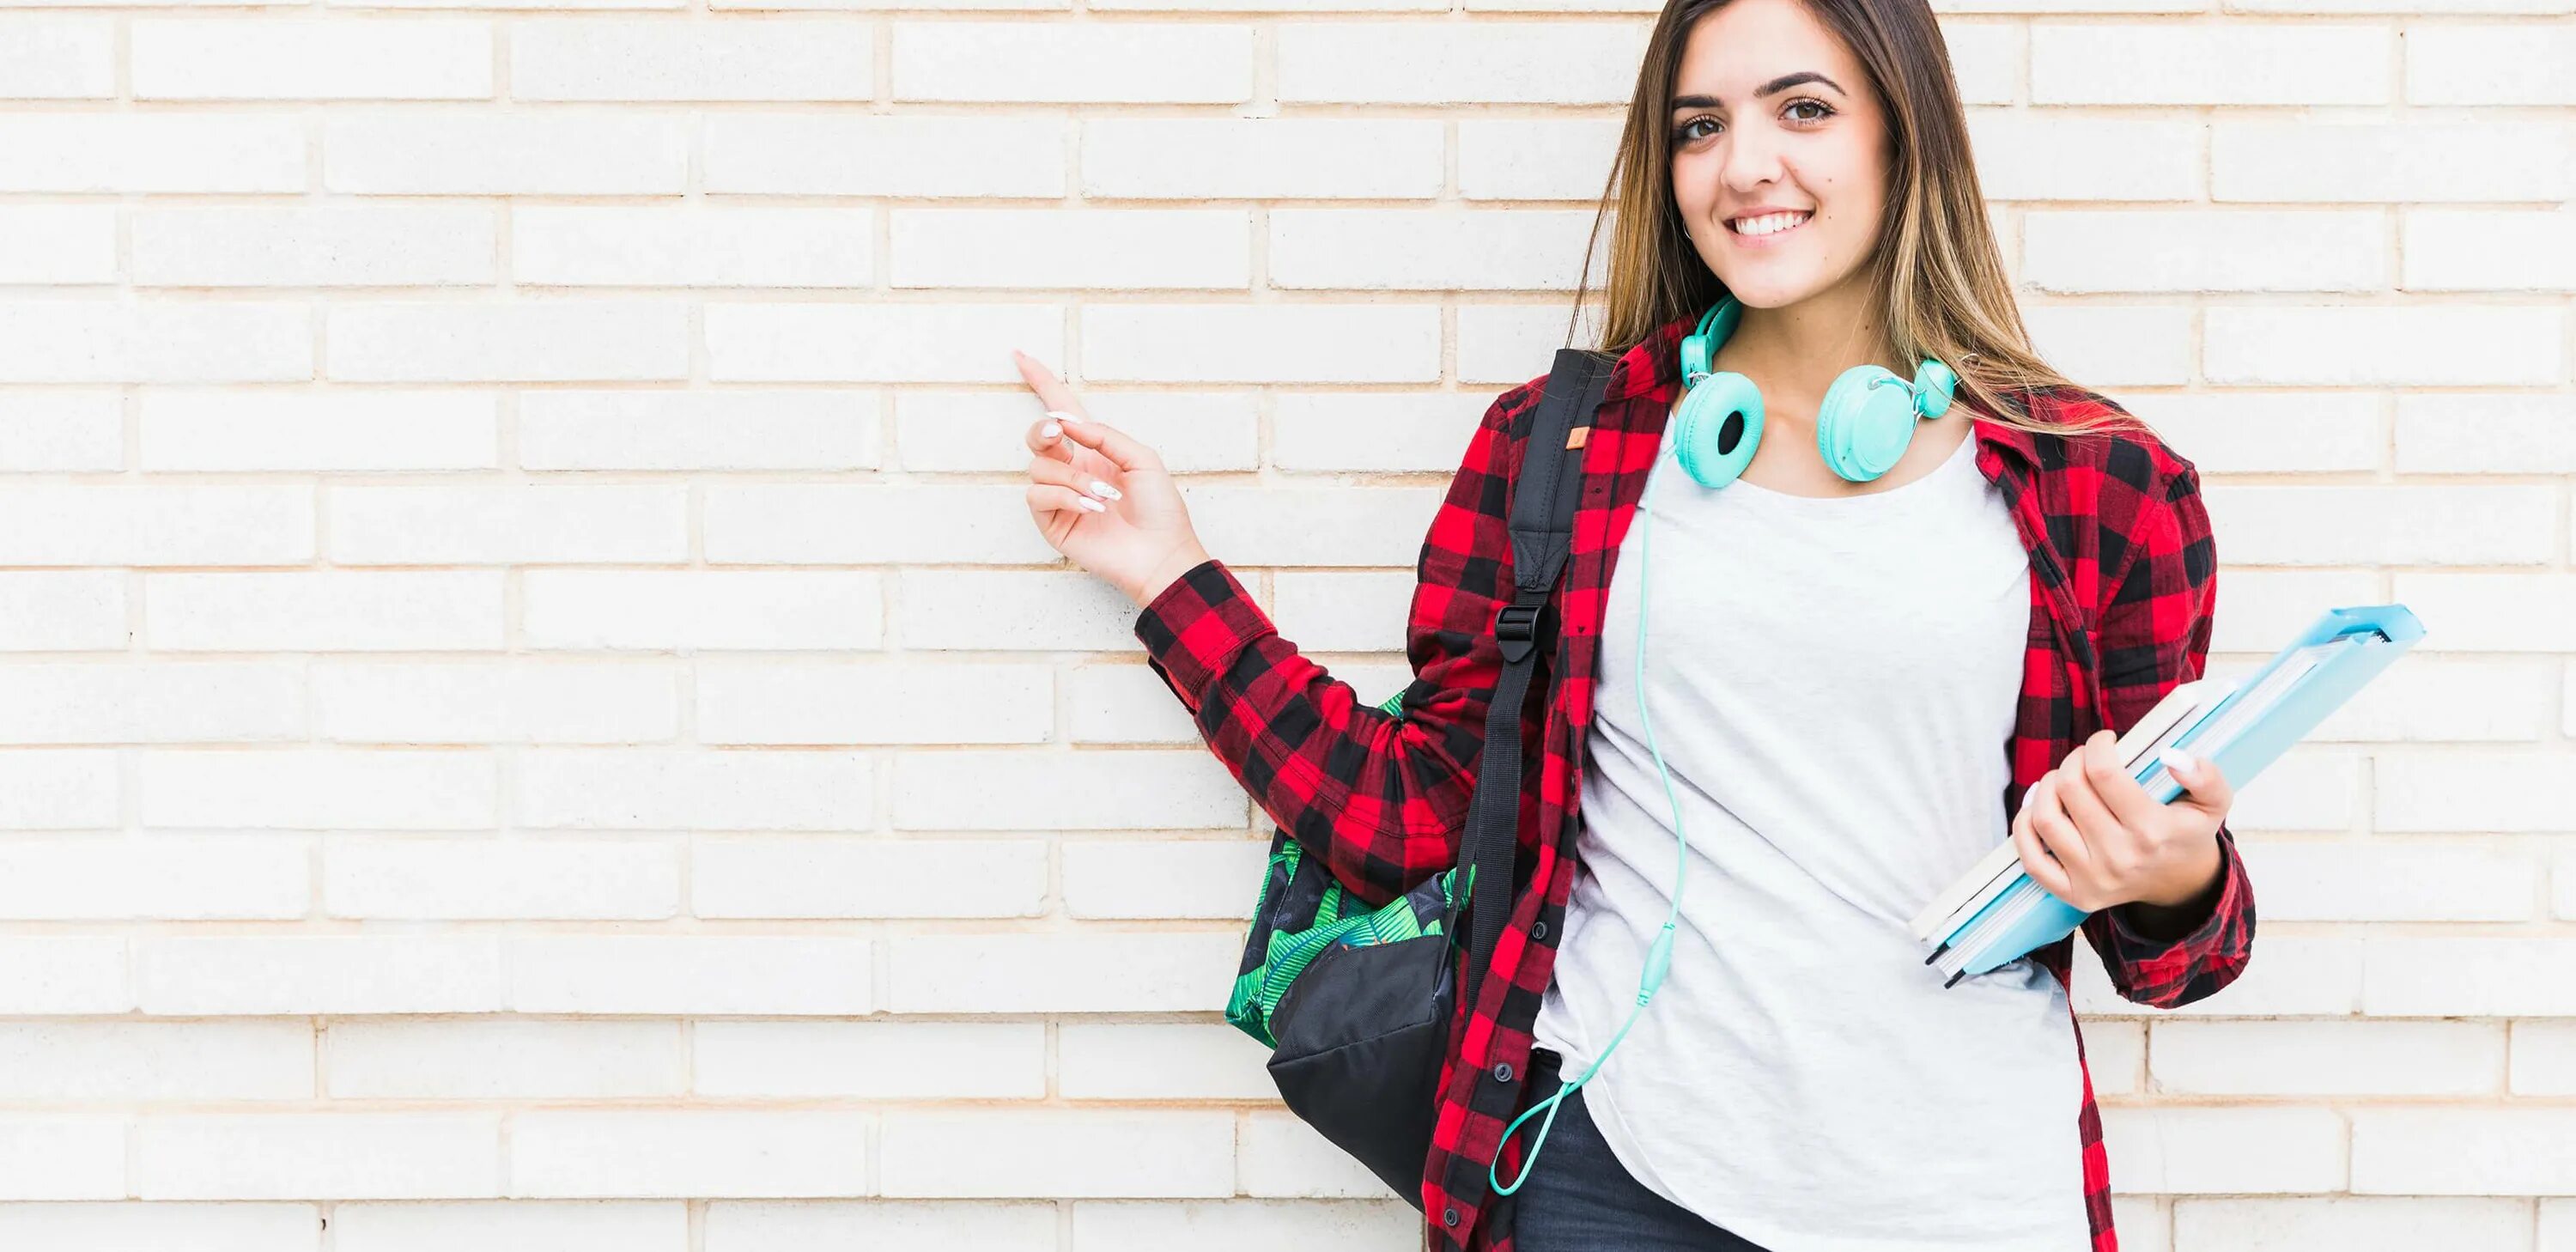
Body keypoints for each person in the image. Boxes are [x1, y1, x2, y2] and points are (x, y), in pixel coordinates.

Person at [1012, 0, 2256, 1246]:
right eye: (1700, 126)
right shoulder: (1563, 451)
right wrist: (1172, 575)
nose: (1744, 165)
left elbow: (2179, 952)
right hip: (1617, 1178)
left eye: (1804, 109)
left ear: (1904, 135)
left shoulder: (2104, 486)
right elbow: (1411, 811)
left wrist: (2172, 873)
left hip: (1970, 1190)